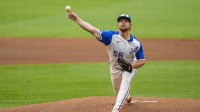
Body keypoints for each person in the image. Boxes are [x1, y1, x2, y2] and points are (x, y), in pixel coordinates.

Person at [67, 10, 146, 112]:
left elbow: (142, 60)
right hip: (114, 68)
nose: (123, 22)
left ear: (130, 25)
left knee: (125, 83)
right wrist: (77, 19)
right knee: (117, 90)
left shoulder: (136, 44)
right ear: (117, 25)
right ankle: (127, 97)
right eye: (121, 21)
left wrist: (131, 67)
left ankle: (116, 109)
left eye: (126, 21)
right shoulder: (111, 37)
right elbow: (92, 30)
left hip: (129, 68)